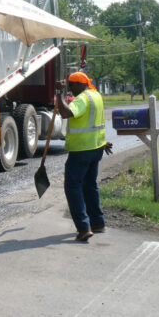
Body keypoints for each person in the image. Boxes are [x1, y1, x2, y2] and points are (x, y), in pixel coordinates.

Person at [55, 72, 113, 242]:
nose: (71, 88)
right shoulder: (96, 96)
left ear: (80, 84)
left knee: (73, 187)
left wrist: (59, 93)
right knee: (90, 185)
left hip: (81, 151)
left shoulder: (82, 99)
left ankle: (83, 228)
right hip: (96, 148)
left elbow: (66, 113)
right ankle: (98, 222)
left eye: (72, 85)